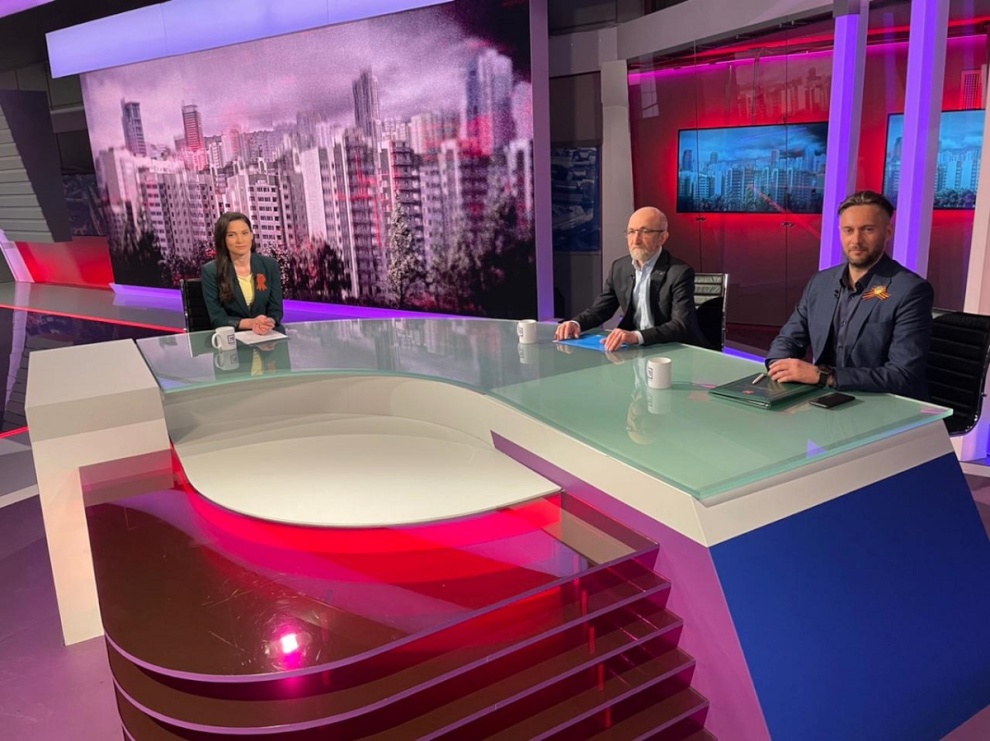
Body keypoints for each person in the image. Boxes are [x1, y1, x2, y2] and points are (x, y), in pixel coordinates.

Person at [765, 190, 933, 400]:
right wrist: (778, 365)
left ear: (888, 232)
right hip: (825, 399)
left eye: (868, 230)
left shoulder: (910, 290)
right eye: (848, 230)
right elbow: (788, 338)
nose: (856, 240)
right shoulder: (821, 282)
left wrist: (824, 376)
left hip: (880, 403)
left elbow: (902, 375)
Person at [554, 206, 708, 351]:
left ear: (662, 238)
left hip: (672, 349)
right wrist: (576, 323)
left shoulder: (679, 272)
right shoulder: (619, 268)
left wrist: (635, 336)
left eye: (645, 232)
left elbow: (680, 325)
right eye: (631, 232)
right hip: (636, 350)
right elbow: (601, 309)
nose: (636, 240)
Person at [201, 211, 283, 334]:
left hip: (267, 334)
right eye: (232, 235)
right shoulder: (211, 271)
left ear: (251, 235)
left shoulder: (270, 265)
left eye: (245, 233)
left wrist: (268, 322)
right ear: (223, 239)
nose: (240, 240)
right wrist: (251, 323)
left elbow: (276, 310)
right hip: (233, 338)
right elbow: (218, 319)